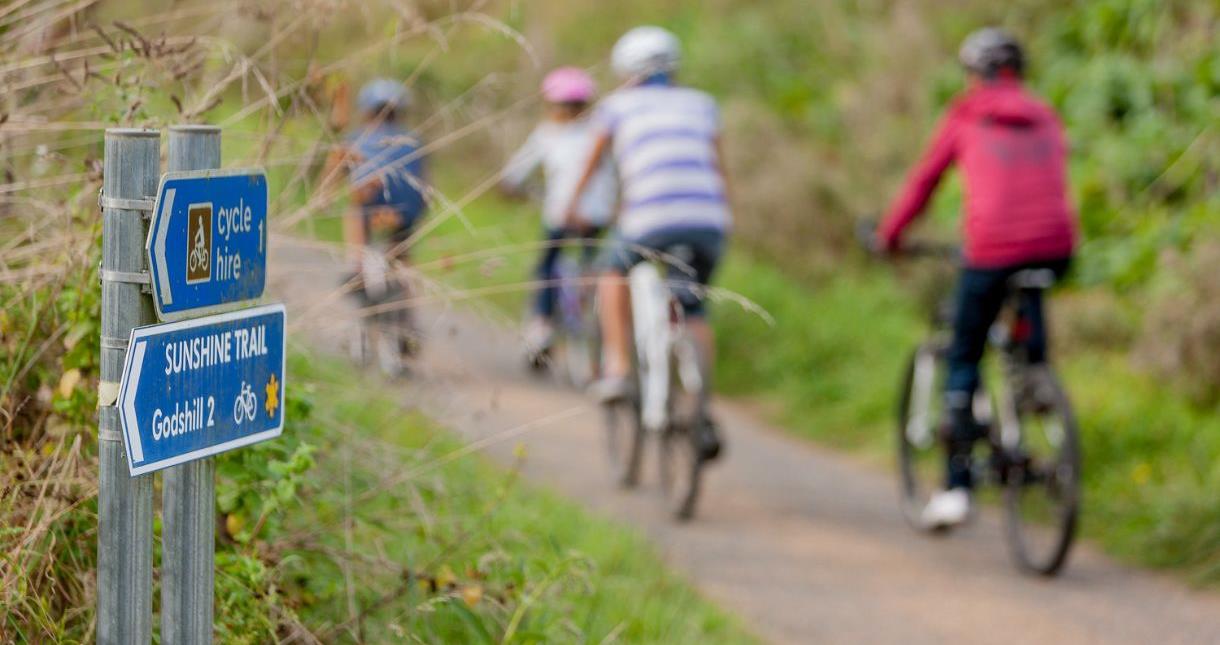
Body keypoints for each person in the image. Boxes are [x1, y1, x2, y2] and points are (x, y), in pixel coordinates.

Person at [875, 28, 1078, 528]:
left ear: (973, 74)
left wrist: (891, 235)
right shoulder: (1044, 114)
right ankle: (1036, 387)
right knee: (1026, 341)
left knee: (964, 353)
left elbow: (924, 181)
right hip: (1055, 249)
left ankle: (957, 487)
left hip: (991, 251)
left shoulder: (966, 114)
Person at [566, 25, 732, 459]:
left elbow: (591, 163)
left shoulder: (616, 107)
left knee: (610, 270)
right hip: (709, 219)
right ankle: (700, 403)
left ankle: (618, 367)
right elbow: (718, 168)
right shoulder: (702, 104)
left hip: (649, 218)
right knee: (694, 306)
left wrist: (572, 207)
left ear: (626, 69)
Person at [500, 67, 617, 360]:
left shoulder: (548, 133)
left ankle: (542, 326)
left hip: (562, 214)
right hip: (599, 215)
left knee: (547, 269)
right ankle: (599, 322)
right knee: (596, 266)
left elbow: (514, 174)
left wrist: (513, 188)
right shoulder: (602, 131)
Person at [324, 78, 429, 360]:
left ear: (366, 110)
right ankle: (408, 321)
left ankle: (355, 262)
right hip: (403, 218)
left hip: (368, 217)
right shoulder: (414, 143)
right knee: (403, 266)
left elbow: (329, 185)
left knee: (354, 209)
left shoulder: (354, 140)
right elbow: (423, 192)